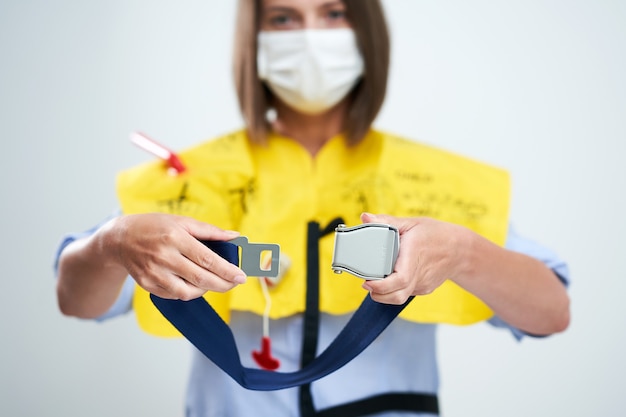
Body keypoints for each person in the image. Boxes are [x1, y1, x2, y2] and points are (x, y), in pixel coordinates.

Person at [55, 0, 570, 416]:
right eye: (284, 17)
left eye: (333, 12)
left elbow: (551, 312)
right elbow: (76, 299)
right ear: (253, 36)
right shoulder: (194, 175)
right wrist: (114, 241)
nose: (311, 38)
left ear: (365, 27)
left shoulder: (433, 179)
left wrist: (462, 254)